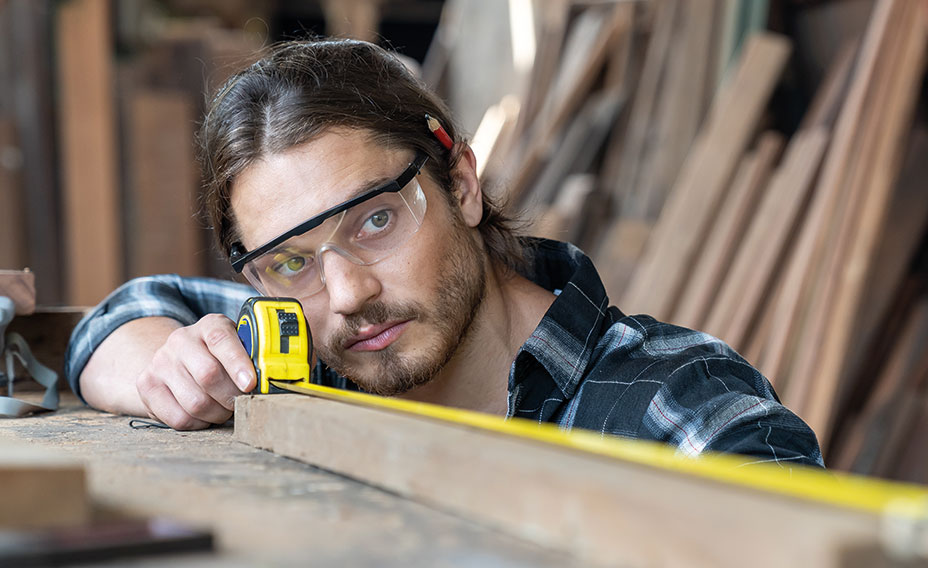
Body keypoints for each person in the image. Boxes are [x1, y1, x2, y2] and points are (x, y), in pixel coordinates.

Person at [64, 39, 823, 467]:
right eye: (291, 262)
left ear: (460, 183)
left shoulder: (678, 406)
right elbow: (120, 316)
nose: (349, 293)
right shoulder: (310, 350)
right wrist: (177, 371)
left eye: (373, 222)